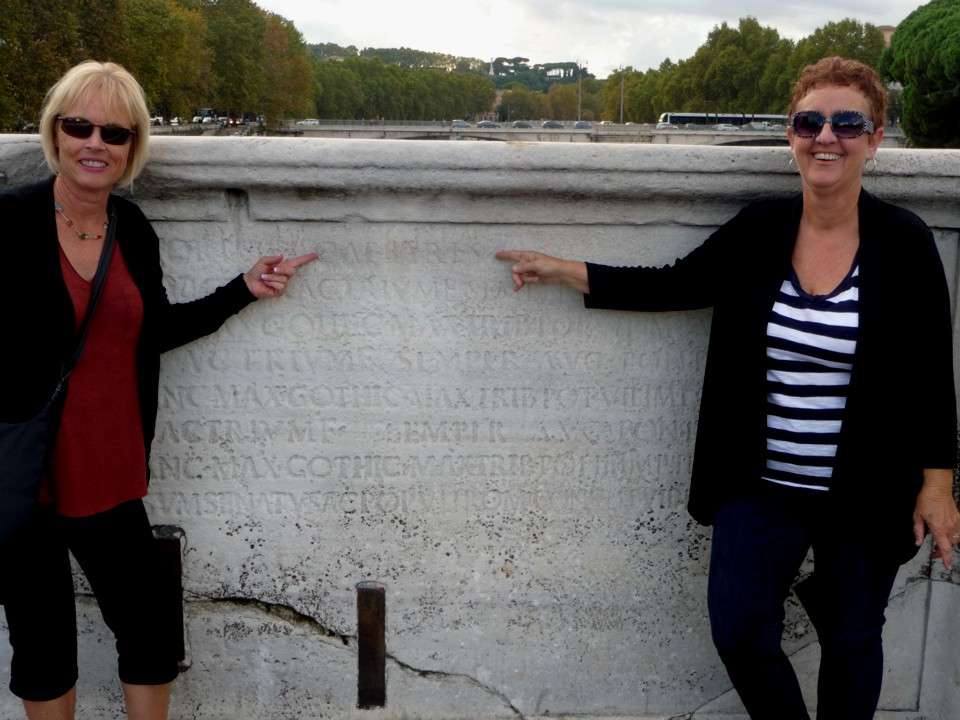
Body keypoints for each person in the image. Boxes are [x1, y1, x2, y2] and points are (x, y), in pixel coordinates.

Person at [496, 56, 960, 719]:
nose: (826, 137)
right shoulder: (761, 227)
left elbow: (929, 373)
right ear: (791, 135)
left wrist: (938, 486)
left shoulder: (904, 241)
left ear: (875, 138)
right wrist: (564, 269)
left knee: (854, 636)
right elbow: (674, 283)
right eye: (809, 122)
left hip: (869, 488)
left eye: (847, 123)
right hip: (761, 484)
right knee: (739, 631)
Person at [0, 61, 317, 719]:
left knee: (148, 634)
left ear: (131, 147)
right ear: (54, 133)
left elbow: (148, 331)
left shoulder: (133, 229)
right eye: (79, 126)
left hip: (111, 472)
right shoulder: (8, 222)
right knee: (42, 644)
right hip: (20, 476)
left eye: (113, 133)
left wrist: (243, 290)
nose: (95, 143)